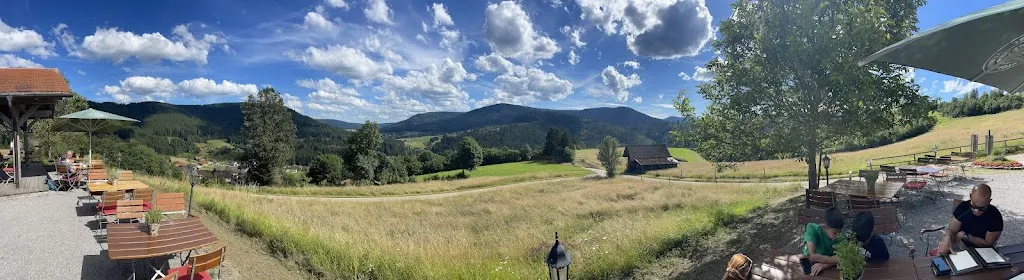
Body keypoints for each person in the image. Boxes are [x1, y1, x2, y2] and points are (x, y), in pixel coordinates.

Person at [936, 184, 1002, 255]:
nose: (977, 211)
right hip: (961, 244)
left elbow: (988, 244)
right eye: (974, 206)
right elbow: (951, 230)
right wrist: (947, 237)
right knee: (943, 251)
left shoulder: (995, 216)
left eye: (982, 208)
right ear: (970, 196)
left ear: (989, 201)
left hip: (983, 250)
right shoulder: (963, 208)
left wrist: (966, 236)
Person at [801, 207, 843, 276]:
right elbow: (812, 256)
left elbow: (841, 257)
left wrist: (823, 265)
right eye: (835, 233)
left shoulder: (840, 238)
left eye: (840, 232)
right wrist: (834, 259)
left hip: (825, 269)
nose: (838, 236)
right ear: (824, 227)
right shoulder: (812, 228)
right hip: (807, 263)